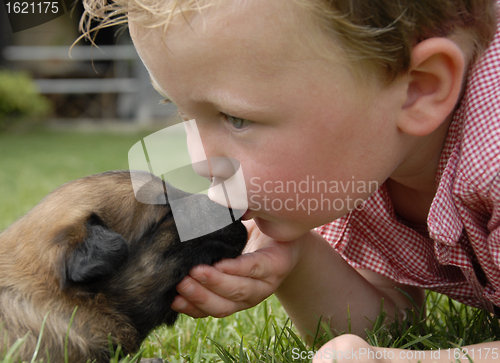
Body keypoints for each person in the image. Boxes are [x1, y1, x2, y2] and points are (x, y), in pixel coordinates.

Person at [81, 0, 500, 361]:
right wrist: (298, 261)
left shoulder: (492, 156)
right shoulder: (357, 162)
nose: (198, 160)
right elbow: (393, 324)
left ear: (419, 89)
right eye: (181, 111)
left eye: (237, 118)